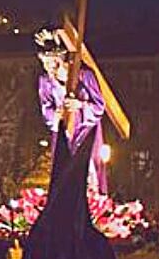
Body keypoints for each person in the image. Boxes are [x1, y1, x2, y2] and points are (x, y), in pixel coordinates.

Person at [35, 27, 109, 194]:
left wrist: (81, 105)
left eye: (51, 62)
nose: (48, 68)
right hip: (63, 130)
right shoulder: (46, 82)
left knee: (86, 167)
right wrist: (55, 116)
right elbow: (46, 108)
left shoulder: (84, 76)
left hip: (85, 129)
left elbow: (99, 106)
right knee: (64, 168)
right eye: (45, 63)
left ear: (60, 60)